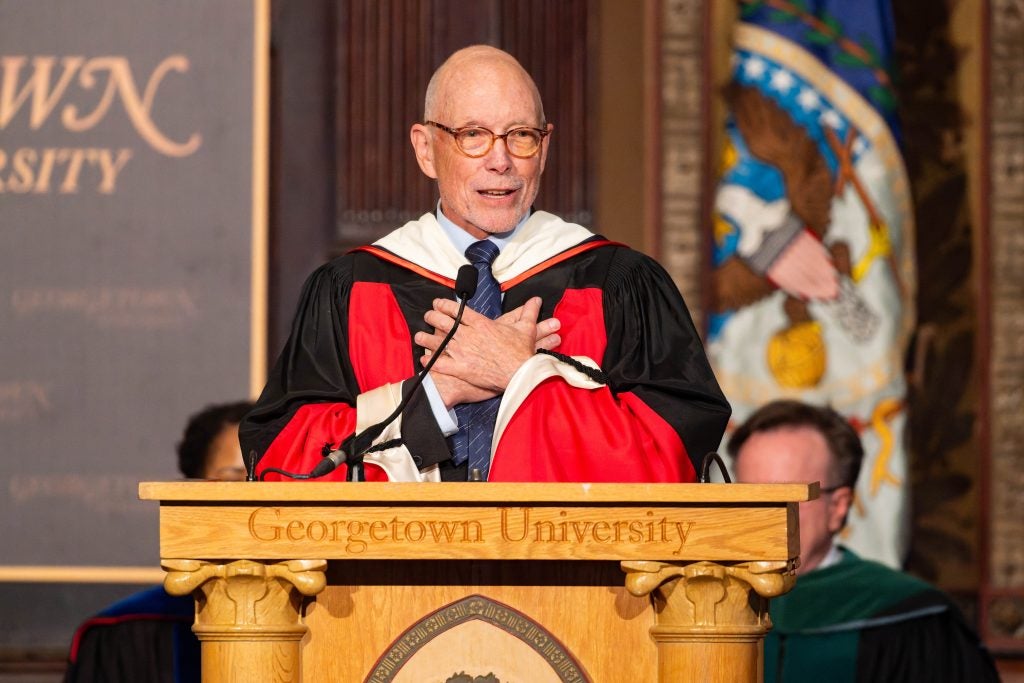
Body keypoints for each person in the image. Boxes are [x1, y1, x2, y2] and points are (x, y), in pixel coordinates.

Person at [241, 45, 730, 483]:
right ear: (426, 150)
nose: (501, 161)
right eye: (473, 135)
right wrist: (432, 398)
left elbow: (673, 461)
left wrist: (522, 374)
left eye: (522, 135)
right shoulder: (349, 289)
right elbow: (284, 462)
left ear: (545, 148)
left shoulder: (620, 283)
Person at [728, 399, 999, 683]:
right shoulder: (710, 602)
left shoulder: (914, 620)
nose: (763, 514)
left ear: (838, 507)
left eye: (786, 497)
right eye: (748, 495)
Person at [64, 401, 253, 683]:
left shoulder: (320, 625)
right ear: (190, 492)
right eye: (234, 481)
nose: (256, 498)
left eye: (273, 483)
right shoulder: (128, 633)